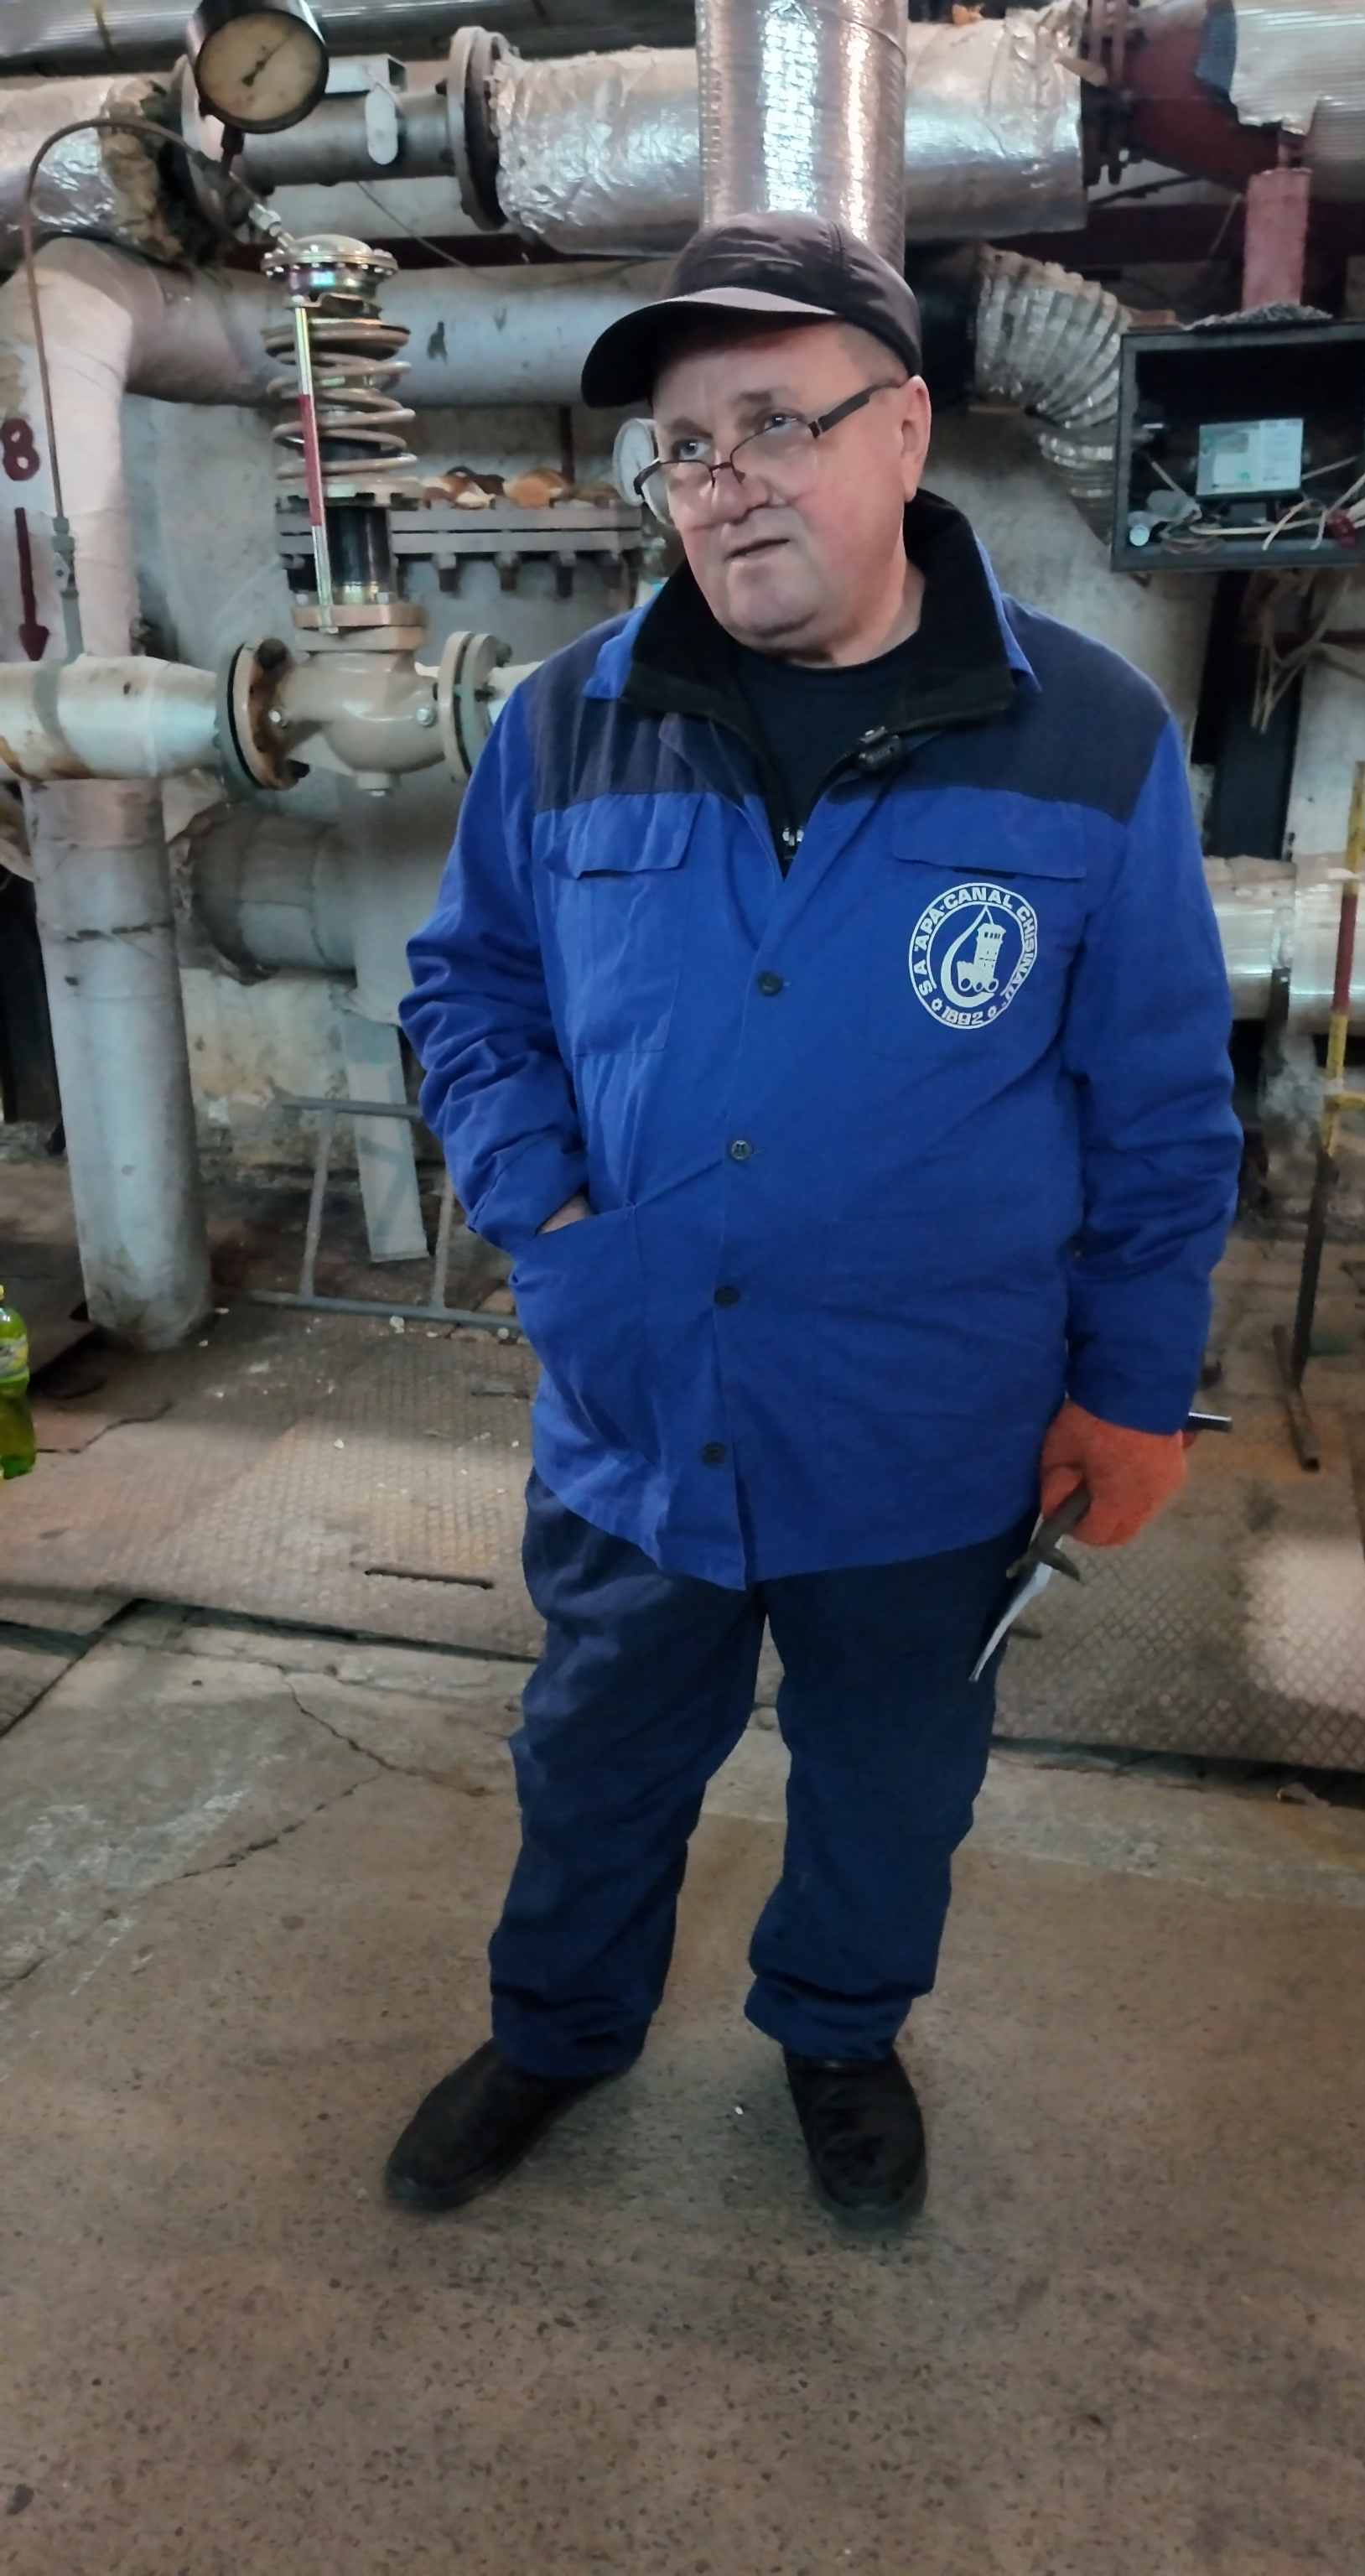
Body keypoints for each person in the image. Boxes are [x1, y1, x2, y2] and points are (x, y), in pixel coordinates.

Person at [391, 212, 1240, 2232]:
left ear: (906, 430)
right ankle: (558, 2030)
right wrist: (551, 1216)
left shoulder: (1092, 738)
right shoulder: (564, 723)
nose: (728, 481)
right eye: (686, 447)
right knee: (596, 1757)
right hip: (641, 1406)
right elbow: (469, 992)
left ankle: (842, 2039)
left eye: (778, 421)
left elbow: (1161, 1106)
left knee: (890, 1783)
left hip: (930, 1430)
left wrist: (1133, 1394)